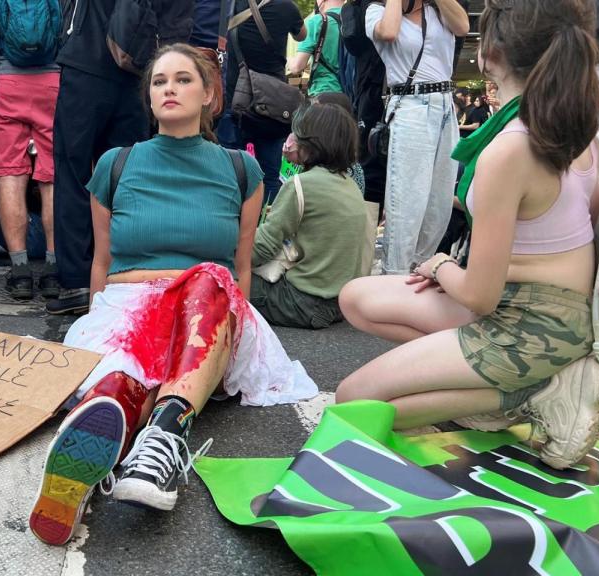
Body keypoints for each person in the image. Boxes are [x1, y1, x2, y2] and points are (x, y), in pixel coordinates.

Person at [28, 44, 316, 546]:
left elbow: (241, 265)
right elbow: (101, 261)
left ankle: (165, 431)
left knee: (208, 276)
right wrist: (96, 325)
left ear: (209, 95)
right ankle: (84, 466)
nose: (169, 89)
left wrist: (234, 334)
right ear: (149, 96)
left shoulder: (240, 170)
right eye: (159, 81)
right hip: (126, 309)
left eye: (183, 80)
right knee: (116, 389)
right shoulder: (116, 165)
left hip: (210, 310)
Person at [338, 0, 599, 471]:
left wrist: (442, 265)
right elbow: (586, 221)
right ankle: (498, 389)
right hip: (551, 308)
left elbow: (480, 297)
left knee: (352, 402)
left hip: (522, 325)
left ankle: (529, 392)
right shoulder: (580, 132)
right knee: (357, 297)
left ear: (493, 53)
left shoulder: (511, 148)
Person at [49, 0, 194, 315]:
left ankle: (76, 278)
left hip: (86, 62)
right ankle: (122, 274)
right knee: (127, 179)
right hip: (138, 73)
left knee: (73, 173)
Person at [366, 0, 470, 275]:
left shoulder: (438, 12)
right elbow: (388, 32)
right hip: (410, 105)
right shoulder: (376, 12)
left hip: (446, 105)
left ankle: (419, 270)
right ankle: (394, 275)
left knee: (439, 202)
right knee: (407, 202)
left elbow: (463, 26)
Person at [251, 103, 366, 328]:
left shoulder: (301, 184)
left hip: (302, 302)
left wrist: (225, 254)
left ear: (309, 142)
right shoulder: (349, 184)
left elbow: (263, 245)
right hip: (339, 303)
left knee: (223, 278)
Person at [0, 1, 61, 300]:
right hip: (53, 79)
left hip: (3, 79)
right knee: (51, 177)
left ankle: (19, 273)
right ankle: (53, 269)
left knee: (9, 175)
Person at [221, 0, 305, 207]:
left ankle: (234, 226)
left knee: (231, 175)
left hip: (237, 101)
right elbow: (302, 35)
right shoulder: (287, 7)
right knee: (270, 175)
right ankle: (265, 228)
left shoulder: (233, 5)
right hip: (273, 106)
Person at [288, 0, 345, 98]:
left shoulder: (317, 21)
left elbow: (297, 67)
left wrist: (288, 61)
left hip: (324, 92)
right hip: (352, 95)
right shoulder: (355, 20)